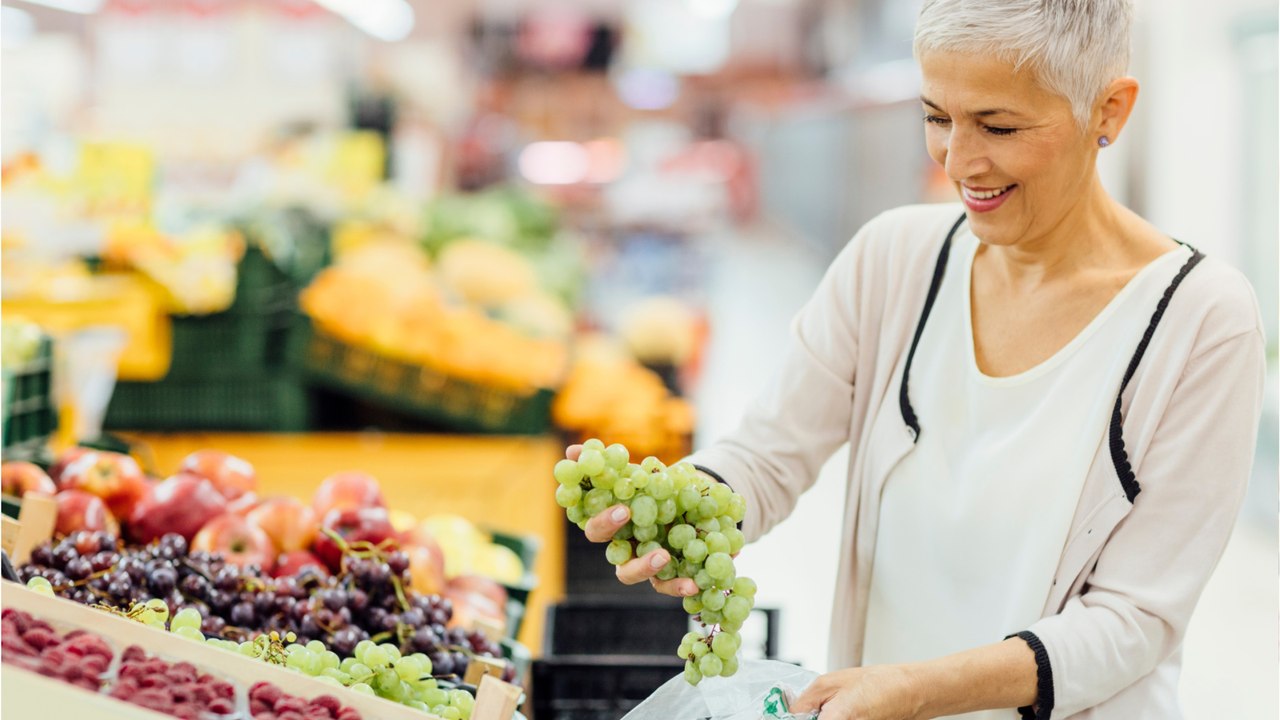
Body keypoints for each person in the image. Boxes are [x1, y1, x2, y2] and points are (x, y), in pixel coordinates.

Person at [566, 0, 1266, 717]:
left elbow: (1132, 621)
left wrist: (916, 689)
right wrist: (692, 502)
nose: (958, 161)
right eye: (937, 117)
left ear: (1109, 111)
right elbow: (771, 452)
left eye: (998, 125)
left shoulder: (1198, 321)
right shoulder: (893, 261)